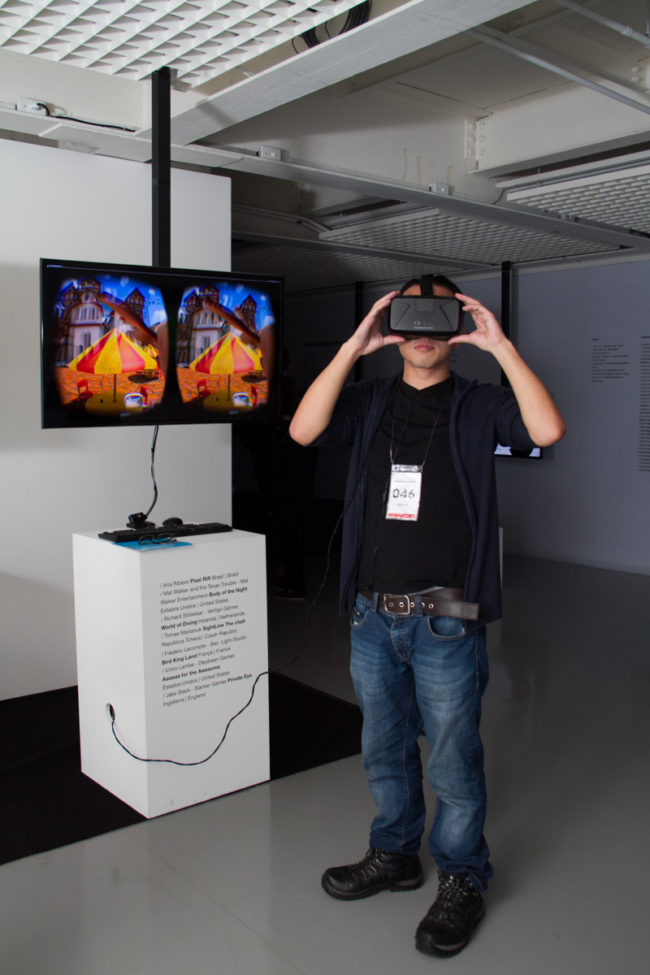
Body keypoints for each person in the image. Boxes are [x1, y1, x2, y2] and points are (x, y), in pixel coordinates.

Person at [289, 273, 566, 959]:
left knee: (452, 758)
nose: (421, 330)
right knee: (383, 749)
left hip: (447, 614)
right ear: (393, 325)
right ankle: (395, 854)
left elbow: (546, 428)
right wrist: (355, 347)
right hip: (370, 614)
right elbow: (303, 429)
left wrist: (499, 346)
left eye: (437, 316)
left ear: (456, 330)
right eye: (409, 314)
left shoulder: (479, 404)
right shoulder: (369, 400)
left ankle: (463, 876)